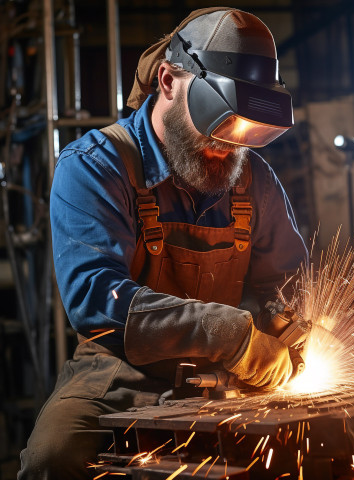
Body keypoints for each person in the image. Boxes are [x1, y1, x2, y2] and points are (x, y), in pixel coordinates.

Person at [18, 7, 307, 479]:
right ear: (169, 81)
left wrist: (293, 327)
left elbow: (283, 280)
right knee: (53, 458)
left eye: (244, 133)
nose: (229, 146)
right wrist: (225, 333)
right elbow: (94, 298)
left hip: (232, 379)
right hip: (120, 375)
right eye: (219, 123)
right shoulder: (95, 167)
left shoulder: (253, 177)